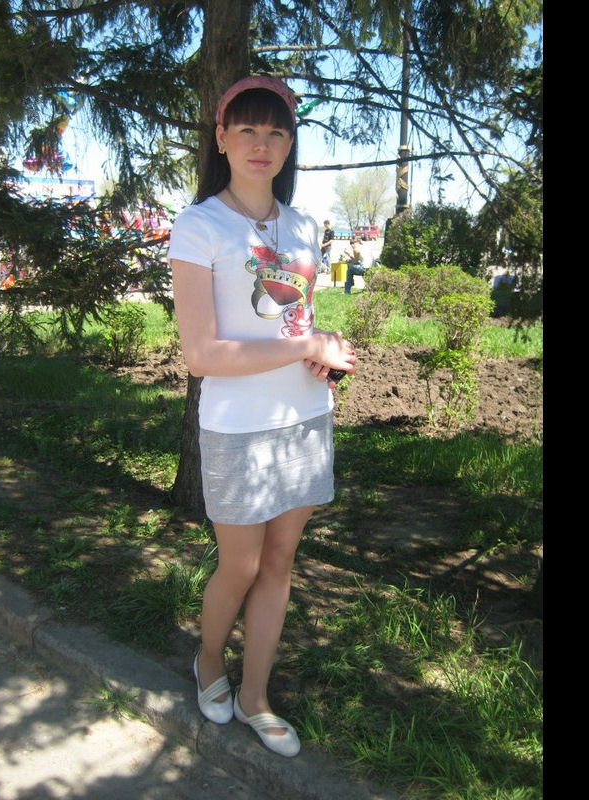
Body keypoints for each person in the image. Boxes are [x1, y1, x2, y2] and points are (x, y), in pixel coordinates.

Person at [167, 75, 357, 758]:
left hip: (304, 416)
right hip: (238, 428)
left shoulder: (303, 226)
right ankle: (208, 661)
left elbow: (296, 321)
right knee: (241, 565)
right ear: (220, 138)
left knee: (280, 562)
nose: (261, 143)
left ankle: (255, 696)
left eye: (276, 131)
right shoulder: (198, 226)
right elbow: (201, 354)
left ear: (289, 144)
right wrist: (303, 345)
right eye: (246, 128)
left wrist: (323, 354)